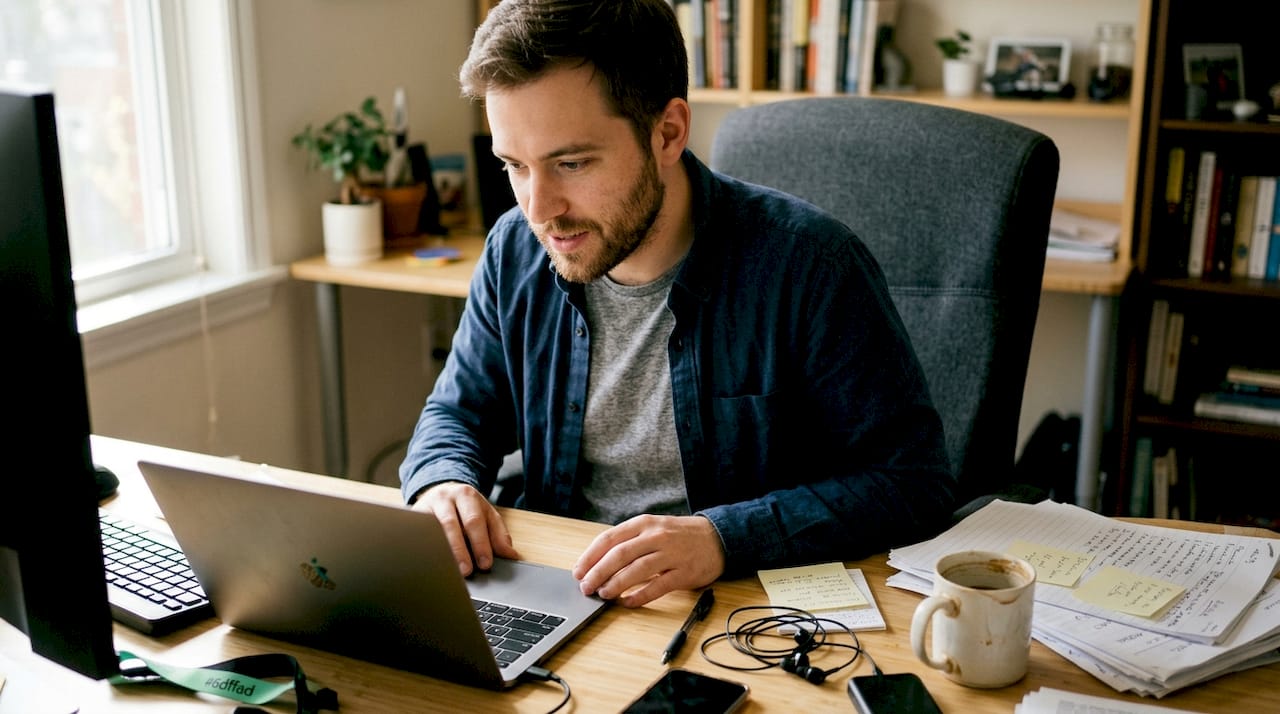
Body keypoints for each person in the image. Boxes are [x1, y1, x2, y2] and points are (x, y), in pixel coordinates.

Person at [399, 0, 956, 608]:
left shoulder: (810, 264)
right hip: (560, 588)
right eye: (514, 166)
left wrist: (723, 538)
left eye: (572, 163)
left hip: (736, 609)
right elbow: (458, 414)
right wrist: (442, 483)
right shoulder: (515, 248)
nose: (540, 209)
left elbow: (911, 482)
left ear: (667, 132)